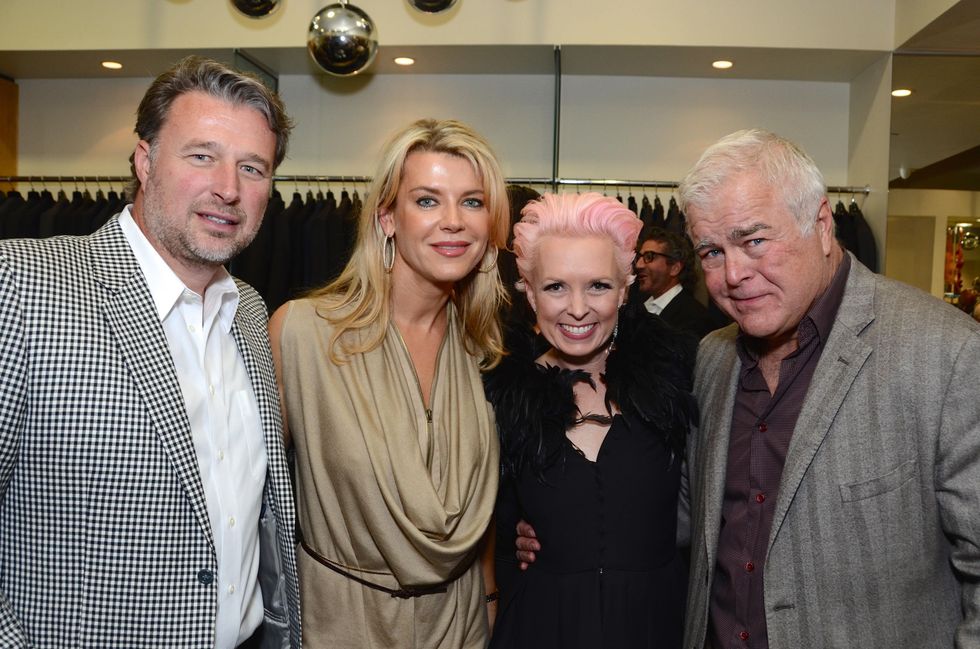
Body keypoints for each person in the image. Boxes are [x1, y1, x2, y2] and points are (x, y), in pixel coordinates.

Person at [0, 56, 300, 648]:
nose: (229, 188)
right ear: (144, 161)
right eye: (202, 156)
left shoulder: (248, 310)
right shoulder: (24, 285)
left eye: (252, 168)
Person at [677, 129, 980, 648]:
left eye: (753, 241)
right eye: (711, 251)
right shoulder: (712, 357)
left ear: (820, 225)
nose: (733, 273)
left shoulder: (945, 352)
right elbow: (686, 517)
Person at [268, 118, 508, 648]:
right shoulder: (303, 335)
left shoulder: (483, 351)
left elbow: (490, 504)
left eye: (472, 202)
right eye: (427, 201)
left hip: (460, 624)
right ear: (388, 218)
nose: (453, 221)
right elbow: (252, 500)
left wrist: (490, 596)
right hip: (341, 625)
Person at [485, 192, 698, 648]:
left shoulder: (680, 379)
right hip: (542, 628)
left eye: (598, 286)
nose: (577, 308)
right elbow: (488, 534)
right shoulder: (498, 399)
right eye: (555, 287)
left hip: (656, 625)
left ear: (625, 289)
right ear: (529, 292)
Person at [634, 226, 720, 339]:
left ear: (675, 268)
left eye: (649, 257)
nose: (638, 265)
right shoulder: (637, 306)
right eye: (639, 257)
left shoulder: (696, 319)